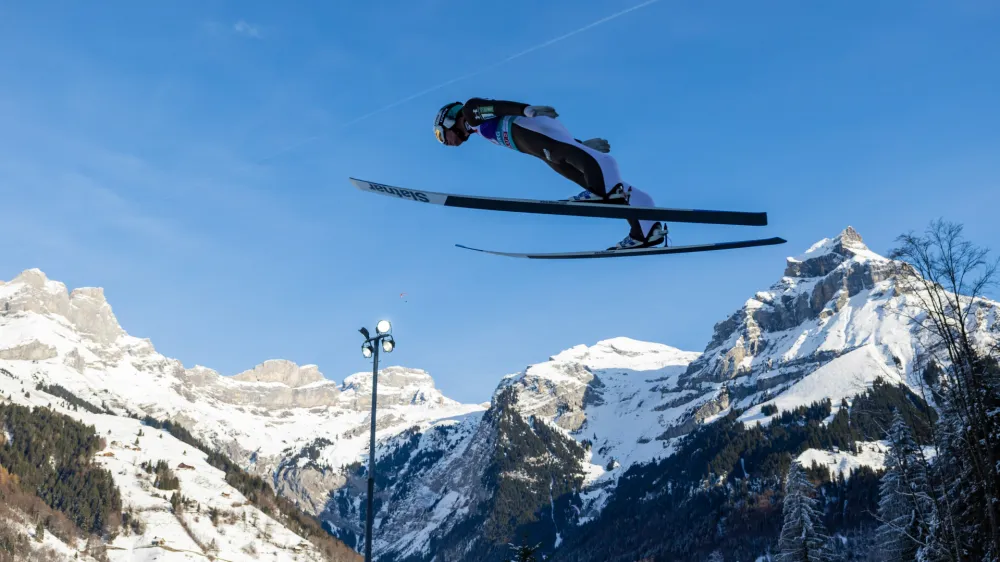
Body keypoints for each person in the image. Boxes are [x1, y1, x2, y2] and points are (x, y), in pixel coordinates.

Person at [433, 98, 666, 250]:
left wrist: (525, 109)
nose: (445, 142)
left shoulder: (470, 111)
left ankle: (603, 188)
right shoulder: (476, 127)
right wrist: (583, 145)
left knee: (565, 158)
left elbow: (496, 107)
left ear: (449, 120)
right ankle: (645, 230)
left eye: (441, 135)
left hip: (532, 127)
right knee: (567, 164)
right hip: (536, 143)